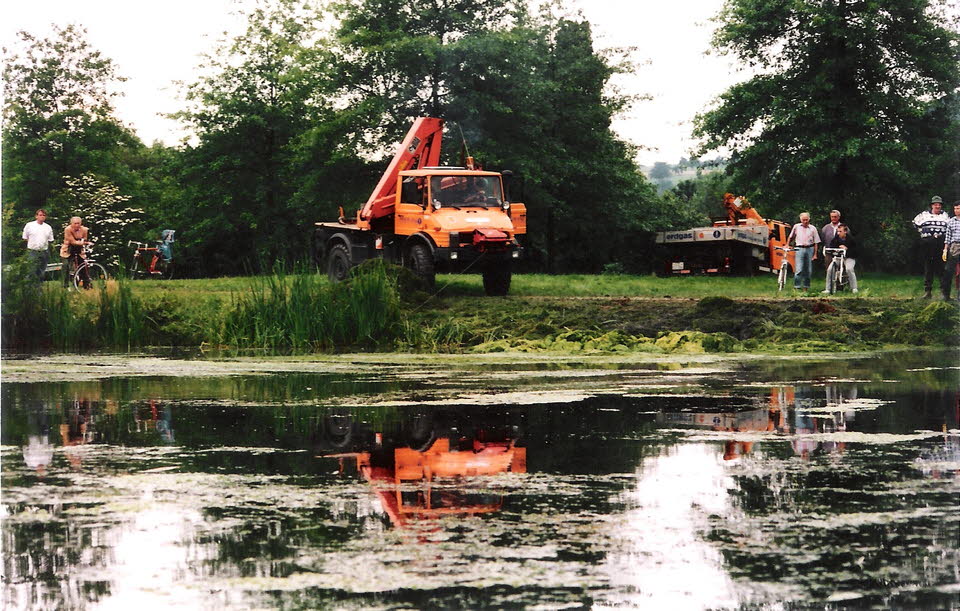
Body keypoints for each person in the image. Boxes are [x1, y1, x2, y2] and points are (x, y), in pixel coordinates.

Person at [913, 196, 949, 298]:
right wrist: (924, 234)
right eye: (935, 204)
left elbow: (949, 229)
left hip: (941, 243)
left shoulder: (945, 216)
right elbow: (915, 224)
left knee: (942, 267)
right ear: (932, 205)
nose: (937, 206)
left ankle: (943, 292)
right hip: (928, 243)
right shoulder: (924, 215)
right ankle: (927, 291)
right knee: (929, 267)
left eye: (939, 204)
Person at [787, 212, 820, 291]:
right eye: (803, 220)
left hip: (810, 248)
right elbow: (791, 237)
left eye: (806, 220)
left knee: (808, 270)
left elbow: (816, 242)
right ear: (800, 220)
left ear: (809, 219)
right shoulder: (796, 227)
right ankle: (797, 287)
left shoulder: (813, 228)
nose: (805, 221)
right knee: (799, 269)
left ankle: (806, 287)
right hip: (799, 249)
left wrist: (815, 254)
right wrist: (787, 244)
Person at [821, 223, 858, 294]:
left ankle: (854, 288)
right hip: (838, 257)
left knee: (849, 269)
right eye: (837, 231)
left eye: (840, 231)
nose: (838, 233)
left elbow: (855, 252)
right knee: (830, 269)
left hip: (849, 257)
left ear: (845, 231)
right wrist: (835, 250)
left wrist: (847, 249)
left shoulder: (851, 240)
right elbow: (831, 247)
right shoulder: (835, 239)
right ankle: (828, 289)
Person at [22, 209, 54, 283]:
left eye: (44, 215)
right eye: (40, 215)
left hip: (44, 252)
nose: (42, 217)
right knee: (31, 271)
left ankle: (39, 289)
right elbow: (25, 238)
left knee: (41, 272)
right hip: (32, 251)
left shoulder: (48, 227)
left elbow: (50, 240)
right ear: (36, 216)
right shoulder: (29, 225)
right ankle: (29, 289)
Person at [63, 217, 90, 289]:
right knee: (66, 266)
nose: (77, 225)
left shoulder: (84, 229)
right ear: (71, 224)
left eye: (78, 223)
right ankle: (65, 285)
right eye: (75, 223)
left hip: (79, 249)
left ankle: (86, 284)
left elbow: (84, 239)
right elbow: (72, 241)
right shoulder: (68, 229)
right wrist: (83, 243)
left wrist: (84, 242)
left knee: (83, 265)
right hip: (68, 249)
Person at [941, 201, 960, 302]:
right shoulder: (951, 221)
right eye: (955, 209)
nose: (957, 211)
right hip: (954, 248)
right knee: (948, 271)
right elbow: (947, 238)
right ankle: (946, 295)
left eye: (958, 208)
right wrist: (945, 250)